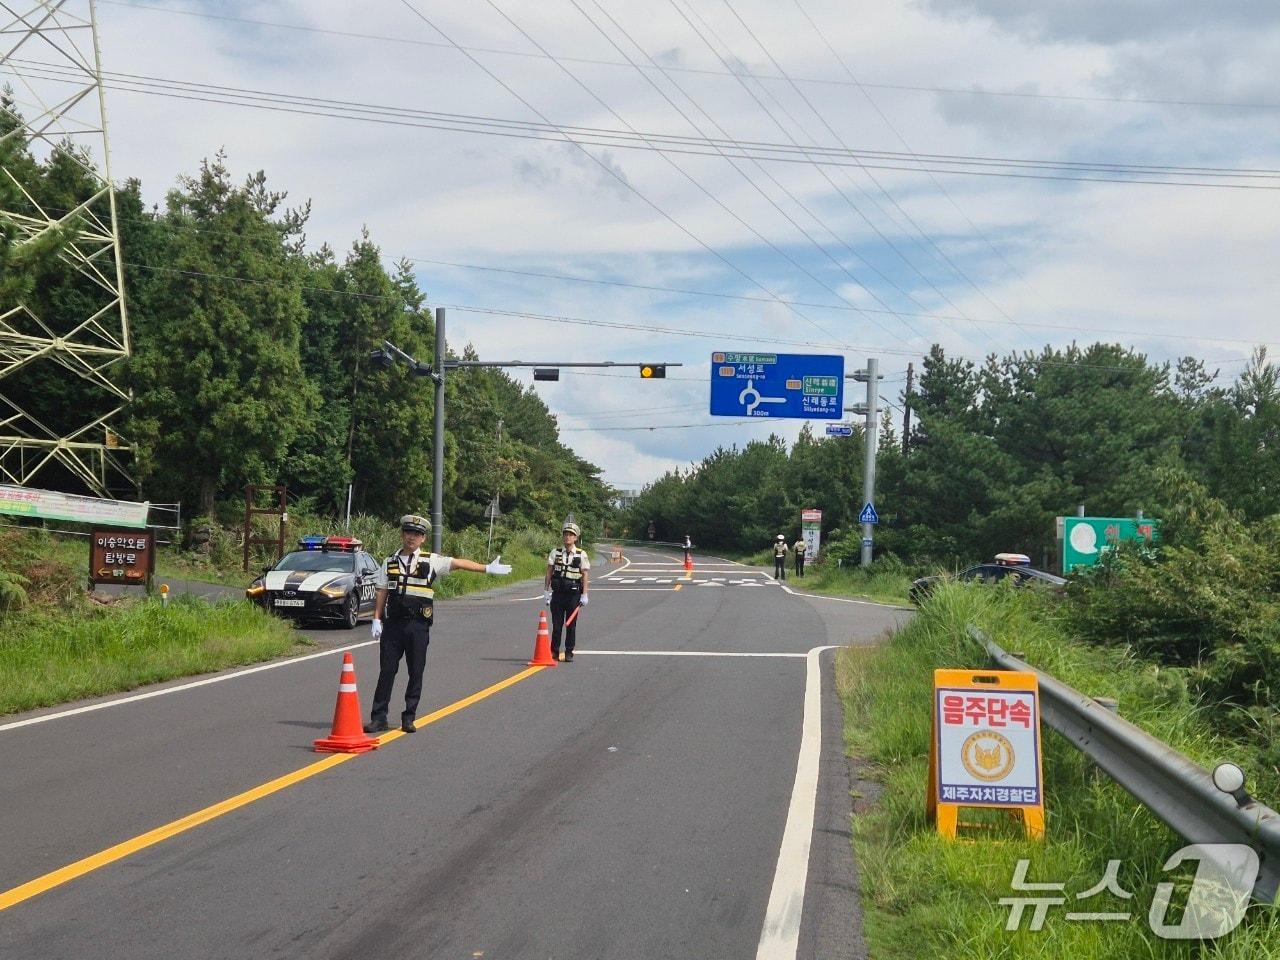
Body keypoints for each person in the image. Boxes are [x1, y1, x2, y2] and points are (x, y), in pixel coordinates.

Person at [365, 514, 512, 734]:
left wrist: (486, 568)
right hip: (393, 625)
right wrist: (376, 618)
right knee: (387, 671)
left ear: (423, 538)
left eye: (416, 534)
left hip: (418, 626)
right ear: (402, 534)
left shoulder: (430, 560)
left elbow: (458, 563)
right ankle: (379, 717)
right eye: (408, 533)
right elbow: (382, 590)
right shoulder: (390, 561)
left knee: (416, 671)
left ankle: (409, 716)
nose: (411, 537)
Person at [544, 520, 590, 662]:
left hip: (573, 595)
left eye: (571, 535)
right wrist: (546, 591)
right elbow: (549, 572)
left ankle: (569, 651)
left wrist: (585, 594)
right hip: (558, 594)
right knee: (556, 625)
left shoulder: (581, 554)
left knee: (571, 625)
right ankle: (554, 651)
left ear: (576, 537)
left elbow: (585, 575)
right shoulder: (555, 552)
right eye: (565, 534)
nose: (567, 537)